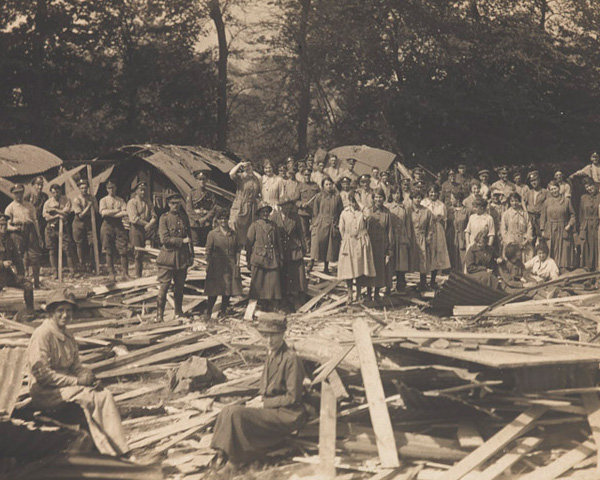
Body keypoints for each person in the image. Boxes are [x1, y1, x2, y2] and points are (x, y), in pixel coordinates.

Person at [28, 289, 129, 456]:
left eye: (68, 311)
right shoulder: (42, 334)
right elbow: (42, 375)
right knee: (91, 397)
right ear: (51, 311)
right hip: (46, 391)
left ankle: (118, 449)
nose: (65, 315)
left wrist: (87, 376)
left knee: (103, 394)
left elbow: (75, 365)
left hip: (64, 386)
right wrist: (77, 381)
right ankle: (106, 450)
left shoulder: (68, 334)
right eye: (60, 310)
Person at [210, 313, 307, 470]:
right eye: (265, 336)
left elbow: (293, 397)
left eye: (274, 336)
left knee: (236, 414)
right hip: (273, 408)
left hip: (289, 413)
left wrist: (264, 404)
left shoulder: (291, 359)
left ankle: (236, 461)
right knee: (227, 411)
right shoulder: (271, 354)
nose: (269, 340)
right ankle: (222, 452)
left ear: (283, 334)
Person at [156, 193, 194, 322]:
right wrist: (181, 241)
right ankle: (159, 316)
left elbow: (190, 238)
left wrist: (191, 255)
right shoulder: (164, 218)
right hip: (168, 258)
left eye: (177, 203)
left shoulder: (184, 217)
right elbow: (164, 239)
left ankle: (178, 312)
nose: (175, 206)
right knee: (164, 287)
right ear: (168, 204)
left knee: (179, 287)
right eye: (173, 203)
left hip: (182, 258)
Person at [204, 210, 242, 322]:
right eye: (221, 219)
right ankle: (209, 311)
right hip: (216, 264)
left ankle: (223, 310)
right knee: (213, 290)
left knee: (228, 289)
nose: (223, 221)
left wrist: (237, 262)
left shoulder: (233, 233)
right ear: (218, 221)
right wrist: (209, 264)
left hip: (229, 263)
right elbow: (208, 250)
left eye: (225, 219)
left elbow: (237, 249)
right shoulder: (213, 234)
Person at [246, 202, 283, 311]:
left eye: (267, 212)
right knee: (258, 283)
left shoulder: (273, 225)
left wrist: (280, 257)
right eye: (263, 212)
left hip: (272, 258)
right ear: (259, 213)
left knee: (273, 283)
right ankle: (258, 306)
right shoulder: (254, 225)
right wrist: (249, 260)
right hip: (259, 258)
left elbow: (278, 243)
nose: (266, 214)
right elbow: (248, 245)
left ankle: (273, 305)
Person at [272, 198, 307, 310]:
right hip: (281, 249)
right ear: (280, 207)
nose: (287, 208)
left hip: (294, 249)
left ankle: (296, 298)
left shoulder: (295, 217)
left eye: (288, 206)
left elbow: (301, 233)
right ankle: (282, 299)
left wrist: (304, 247)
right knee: (282, 273)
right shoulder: (274, 218)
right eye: (284, 206)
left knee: (295, 274)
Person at [6, 183, 42, 288]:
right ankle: (21, 282)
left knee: (35, 258)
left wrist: (39, 236)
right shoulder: (10, 208)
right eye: (16, 193)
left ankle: (36, 282)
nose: (19, 195)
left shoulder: (29, 205)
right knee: (18, 258)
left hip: (30, 231)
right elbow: (6, 225)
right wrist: (14, 228)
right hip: (17, 233)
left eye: (20, 193)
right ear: (13, 194)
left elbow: (35, 221)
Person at [0, 213, 34, 318]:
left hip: (7, 276)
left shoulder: (10, 239)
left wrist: (21, 274)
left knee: (28, 285)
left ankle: (30, 313)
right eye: (0, 225)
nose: (3, 227)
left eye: (5, 225)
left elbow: (17, 259)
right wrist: (2, 264)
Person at [308, 177, 343, 275]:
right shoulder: (319, 196)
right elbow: (315, 212)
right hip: (320, 222)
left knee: (329, 245)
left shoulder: (337, 197)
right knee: (316, 243)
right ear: (323, 186)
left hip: (332, 223)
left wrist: (338, 224)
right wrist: (314, 224)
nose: (328, 186)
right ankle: (311, 262)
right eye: (326, 184)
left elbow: (340, 211)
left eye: (330, 184)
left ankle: (326, 267)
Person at [43, 183, 78, 279]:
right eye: (53, 192)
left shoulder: (66, 200)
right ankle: (55, 272)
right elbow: (46, 216)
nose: (55, 194)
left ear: (60, 191)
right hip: (51, 227)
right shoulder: (47, 203)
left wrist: (54, 210)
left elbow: (66, 213)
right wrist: (57, 215)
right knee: (52, 250)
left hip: (63, 227)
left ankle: (72, 271)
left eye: (57, 192)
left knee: (67, 249)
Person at [540, 180, 576, 271]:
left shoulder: (566, 201)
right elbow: (543, 217)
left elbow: (573, 215)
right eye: (551, 189)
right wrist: (542, 230)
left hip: (563, 227)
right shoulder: (547, 202)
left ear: (559, 188)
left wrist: (569, 225)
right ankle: (552, 268)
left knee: (563, 248)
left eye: (555, 188)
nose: (553, 191)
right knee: (551, 247)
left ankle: (563, 267)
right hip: (550, 228)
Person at [365, 188, 393, 300]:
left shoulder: (387, 212)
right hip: (370, 243)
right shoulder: (368, 210)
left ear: (384, 199)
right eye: (376, 197)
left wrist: (389, 249)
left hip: (382, 244)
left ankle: (376, 293)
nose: (378, 199)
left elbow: (389, 231)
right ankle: (368, 293)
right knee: (369, 268)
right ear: (373, 198)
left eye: (380, 197)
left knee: (379, 270)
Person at [421, 184, 450, 288]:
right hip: (426, 229)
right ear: (428, 193)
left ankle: (433, 280)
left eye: (435, 192)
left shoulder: (441, 205)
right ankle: (423, 281)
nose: (433, 194)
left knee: (437, 254)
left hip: (437, 230)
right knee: (425, 254)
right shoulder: (423, 203)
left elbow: (444, 219)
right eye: (431, 192)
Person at [99, 180, 129, 282]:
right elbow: (103, 213)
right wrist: (117, 211)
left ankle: (125, 273)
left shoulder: (120, 200)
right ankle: (111, 273)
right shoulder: (103, 200)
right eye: (109, 188)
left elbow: (125, 212)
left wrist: (111, 213)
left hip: (119, 225)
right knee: (108, 250)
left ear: (116, 188)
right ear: (107, 189)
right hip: (107, 225)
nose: (111, 190)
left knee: (123, 249)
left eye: (113, 187)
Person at [127, 180, 157, 278]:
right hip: (136, 229)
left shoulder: (148, 201)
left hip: (147, 228)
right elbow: (134, 219)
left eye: (144, 190)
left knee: (160, 241)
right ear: (136, 191)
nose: (143, 192)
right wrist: (147, 224)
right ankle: (138, 275)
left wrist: (152, 221)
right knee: (138, 253)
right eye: (141, 190)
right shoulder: (132, 202)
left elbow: (153, 213)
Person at [229, 161, 262, 249]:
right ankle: (233, 246)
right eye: (245, 167)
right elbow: (231, 173)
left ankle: (246, 249)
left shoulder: (255, 178)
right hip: (240, 205)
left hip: (252, 207)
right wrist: (240, 164)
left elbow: (261, 178)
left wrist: (252, 171)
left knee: (249, 228)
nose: (247, 168)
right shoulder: (240, 177)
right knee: (235, 223)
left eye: (249, 166)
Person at [386, 186, 412, 291]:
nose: (396, 195)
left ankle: (401, 284)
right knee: (391, 261)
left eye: (398, 193)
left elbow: (408, 224)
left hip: (402, 236)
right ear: (391, 195)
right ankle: (388, 285)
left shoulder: (404, 207)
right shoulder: (388, 207)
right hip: (391, 236)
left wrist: (408, 237)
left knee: (402, 261)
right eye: (394, 193)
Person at [409, 189, 434, 290]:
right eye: (415, 197)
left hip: (422, 237)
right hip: (412, 237)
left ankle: (423, 283)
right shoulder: (408, 210)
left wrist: (429, 237)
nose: (418, 200)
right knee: (411, 260)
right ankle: (404, 283)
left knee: (423, 260)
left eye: (419, 197)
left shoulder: (426, 211)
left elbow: (431, 226)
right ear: (412, 199)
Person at [72, 178, 99, 273]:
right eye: (82, 188)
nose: (84, 190)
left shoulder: (91, 198)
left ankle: (91, 263)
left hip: (89, 222)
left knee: (92, 242)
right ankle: (81, 264)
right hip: (79, 222)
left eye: (85, 188)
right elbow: (80, 214)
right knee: (80, 244)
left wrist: (93, 202)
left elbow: (96, 211)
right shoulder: (77, 199)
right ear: (79, 189)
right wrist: (88, 205)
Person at [186, 170, 217, 247]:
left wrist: (205, 218)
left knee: (206, 244)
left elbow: (213, 209)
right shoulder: (192, 193)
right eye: (200, 179)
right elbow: (189, 209)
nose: (202, 181)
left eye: (204, 179)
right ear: (197, 181)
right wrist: (198, 219)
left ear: (206, 180)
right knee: (195, 243)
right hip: (195, 223)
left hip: (206, 224)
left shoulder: (210, 194)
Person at [500, 192, 533, 261]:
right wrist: (508, 241)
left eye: (516, 201)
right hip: (510, 241)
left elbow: (529, 227)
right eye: (512, 201)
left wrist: (526, 240)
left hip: (522, 242)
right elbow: (503, 229)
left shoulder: (524, 214)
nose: (514, 203)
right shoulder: (506, 214)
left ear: (519, 201)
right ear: (509, 202)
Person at [578, 178, 600, 271]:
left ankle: (597, 267)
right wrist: (582, 227)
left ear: (595, 185)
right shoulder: (583, 197)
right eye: (586, 187)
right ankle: (588, 268)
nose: (588, 188)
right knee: (586, 246)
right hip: (586, 225)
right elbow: (581, 213)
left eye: (590, 186)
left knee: (596, 244)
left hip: (597, 224)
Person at [297, 168, 320, 249]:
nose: (307, 176)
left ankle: (314, 248)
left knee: (314, 230)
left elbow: (319, 198)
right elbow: (296, 200)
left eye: (308, 175)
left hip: (314, 212)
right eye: (305, 175)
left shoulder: (315, 186)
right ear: (303, 176)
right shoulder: (299, 186)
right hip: (303, 212)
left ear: (310, 175)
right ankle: (307, 248)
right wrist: (301, 204)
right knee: (304, 231)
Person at [446, 191, 469, 272]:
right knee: (452, 255)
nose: (451, 200)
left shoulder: (467, 211)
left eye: (452, 199)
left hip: (462, 236)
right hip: (451, 236)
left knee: (462, 256)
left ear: (458, 200)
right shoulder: (449, 210)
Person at [523, 170, 547, 245]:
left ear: (539, 180)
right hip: (530, 217)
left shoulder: (545, 192)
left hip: (541, 217)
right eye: (532, 181)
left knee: (541, 238)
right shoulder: (529, 192)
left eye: (535, 180)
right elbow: (523, 201)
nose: (533, 183)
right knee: (530, 238)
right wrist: (525, 211)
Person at [24, 176, 48, 250]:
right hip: (31, 222)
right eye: (38, 184)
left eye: (41, 185)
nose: (40, 187)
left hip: (41, 221)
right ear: (33, 185)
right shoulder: (28, 196)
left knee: (41, 240)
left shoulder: (44, 196)